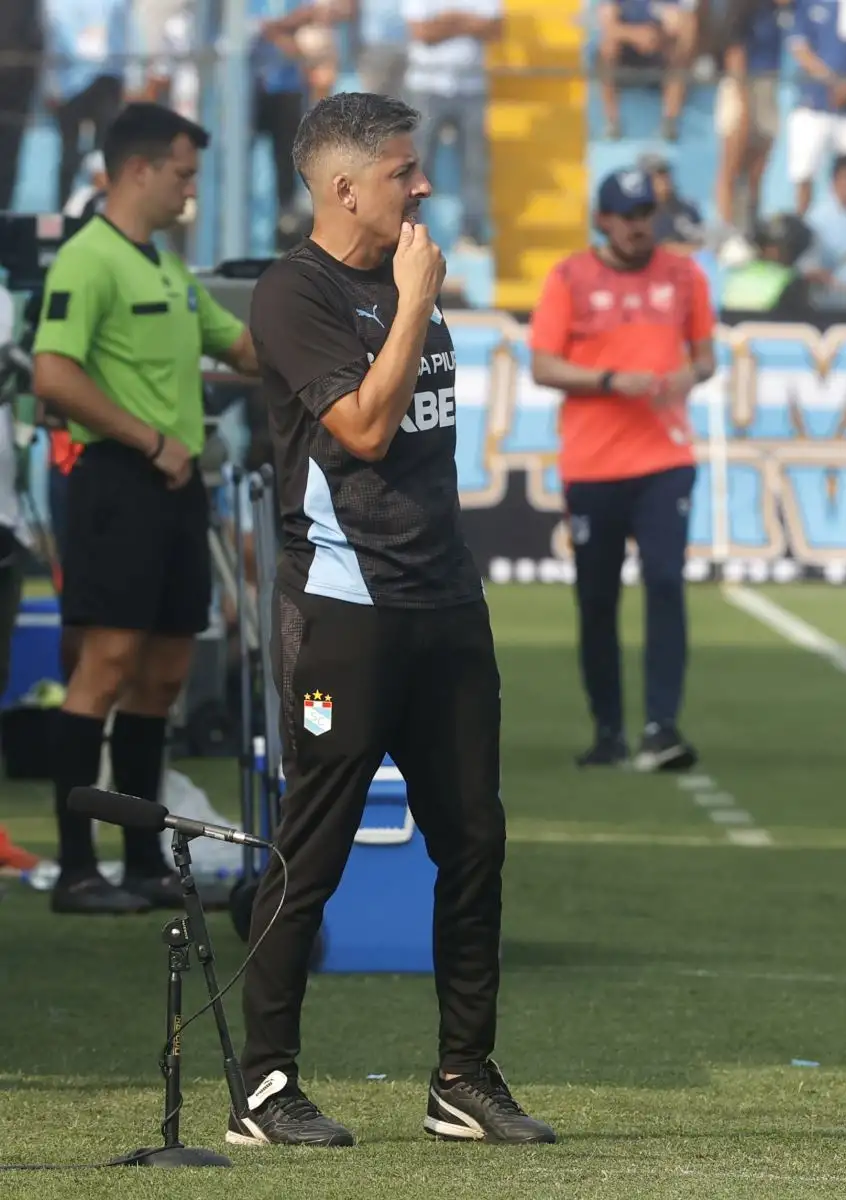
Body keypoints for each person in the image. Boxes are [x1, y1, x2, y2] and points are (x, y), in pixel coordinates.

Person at [238, 91, 555, 1148]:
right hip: (346, 612)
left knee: (475, 842)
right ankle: (265, 1083)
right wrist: (416, 299)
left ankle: (462, 1075)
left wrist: (412, 297)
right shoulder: (293, 294)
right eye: (403, 172)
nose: (423, 188)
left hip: (447, 606)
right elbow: (366, 433)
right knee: (312, 850)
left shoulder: (403, 285)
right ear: (344, 188)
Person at [31, 102, 259, 915]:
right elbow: (51, 377)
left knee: (163, 673)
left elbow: (241, 345)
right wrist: (150, 440)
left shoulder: (163, 267)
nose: (190, 190)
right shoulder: (88, 260)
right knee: (108, 665)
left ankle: (138, 863)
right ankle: (76, 869)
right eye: (183, 173)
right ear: (137, 170)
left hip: (174, 490)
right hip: (119, 483)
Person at [528, 167, 715, 772]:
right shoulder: (569, 278)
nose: (639, 227)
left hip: (665, 457)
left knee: (665, 583)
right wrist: (610, 381)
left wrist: (689, 375)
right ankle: (608, 730)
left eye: (645, 214)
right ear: (603, 219)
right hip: (593, 463)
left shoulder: (684, 275)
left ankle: (662, 726)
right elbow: (544, 366)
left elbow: (705, 355)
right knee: (596, 599)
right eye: (627, 216)